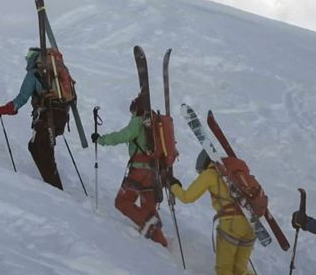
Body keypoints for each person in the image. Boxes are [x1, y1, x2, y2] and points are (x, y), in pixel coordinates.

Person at [91, 94, 168, 247]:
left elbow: (123, 136)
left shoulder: (139, 120)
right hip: (154, 173)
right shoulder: (156, 122)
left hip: (139, 172)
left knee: (122, 201)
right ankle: (162, 244)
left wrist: (101, 140)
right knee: (148, 208)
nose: (132, 115)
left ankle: (148, 223)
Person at [0, 47, 68, 190]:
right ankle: (51, 185)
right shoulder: (55, 73)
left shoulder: (34, 74)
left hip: (47, 118)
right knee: (35, 147)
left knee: (43, 150)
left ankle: (57, 192)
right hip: (61, 116)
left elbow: (20, 100)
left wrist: (2, 110)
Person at [169, 151, 255, 275]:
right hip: (251, 224)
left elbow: (187, 197)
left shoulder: (210, 173)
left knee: (224, 269)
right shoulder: (234, 172)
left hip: (231, 226)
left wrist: (173, 186)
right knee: (240, 270)